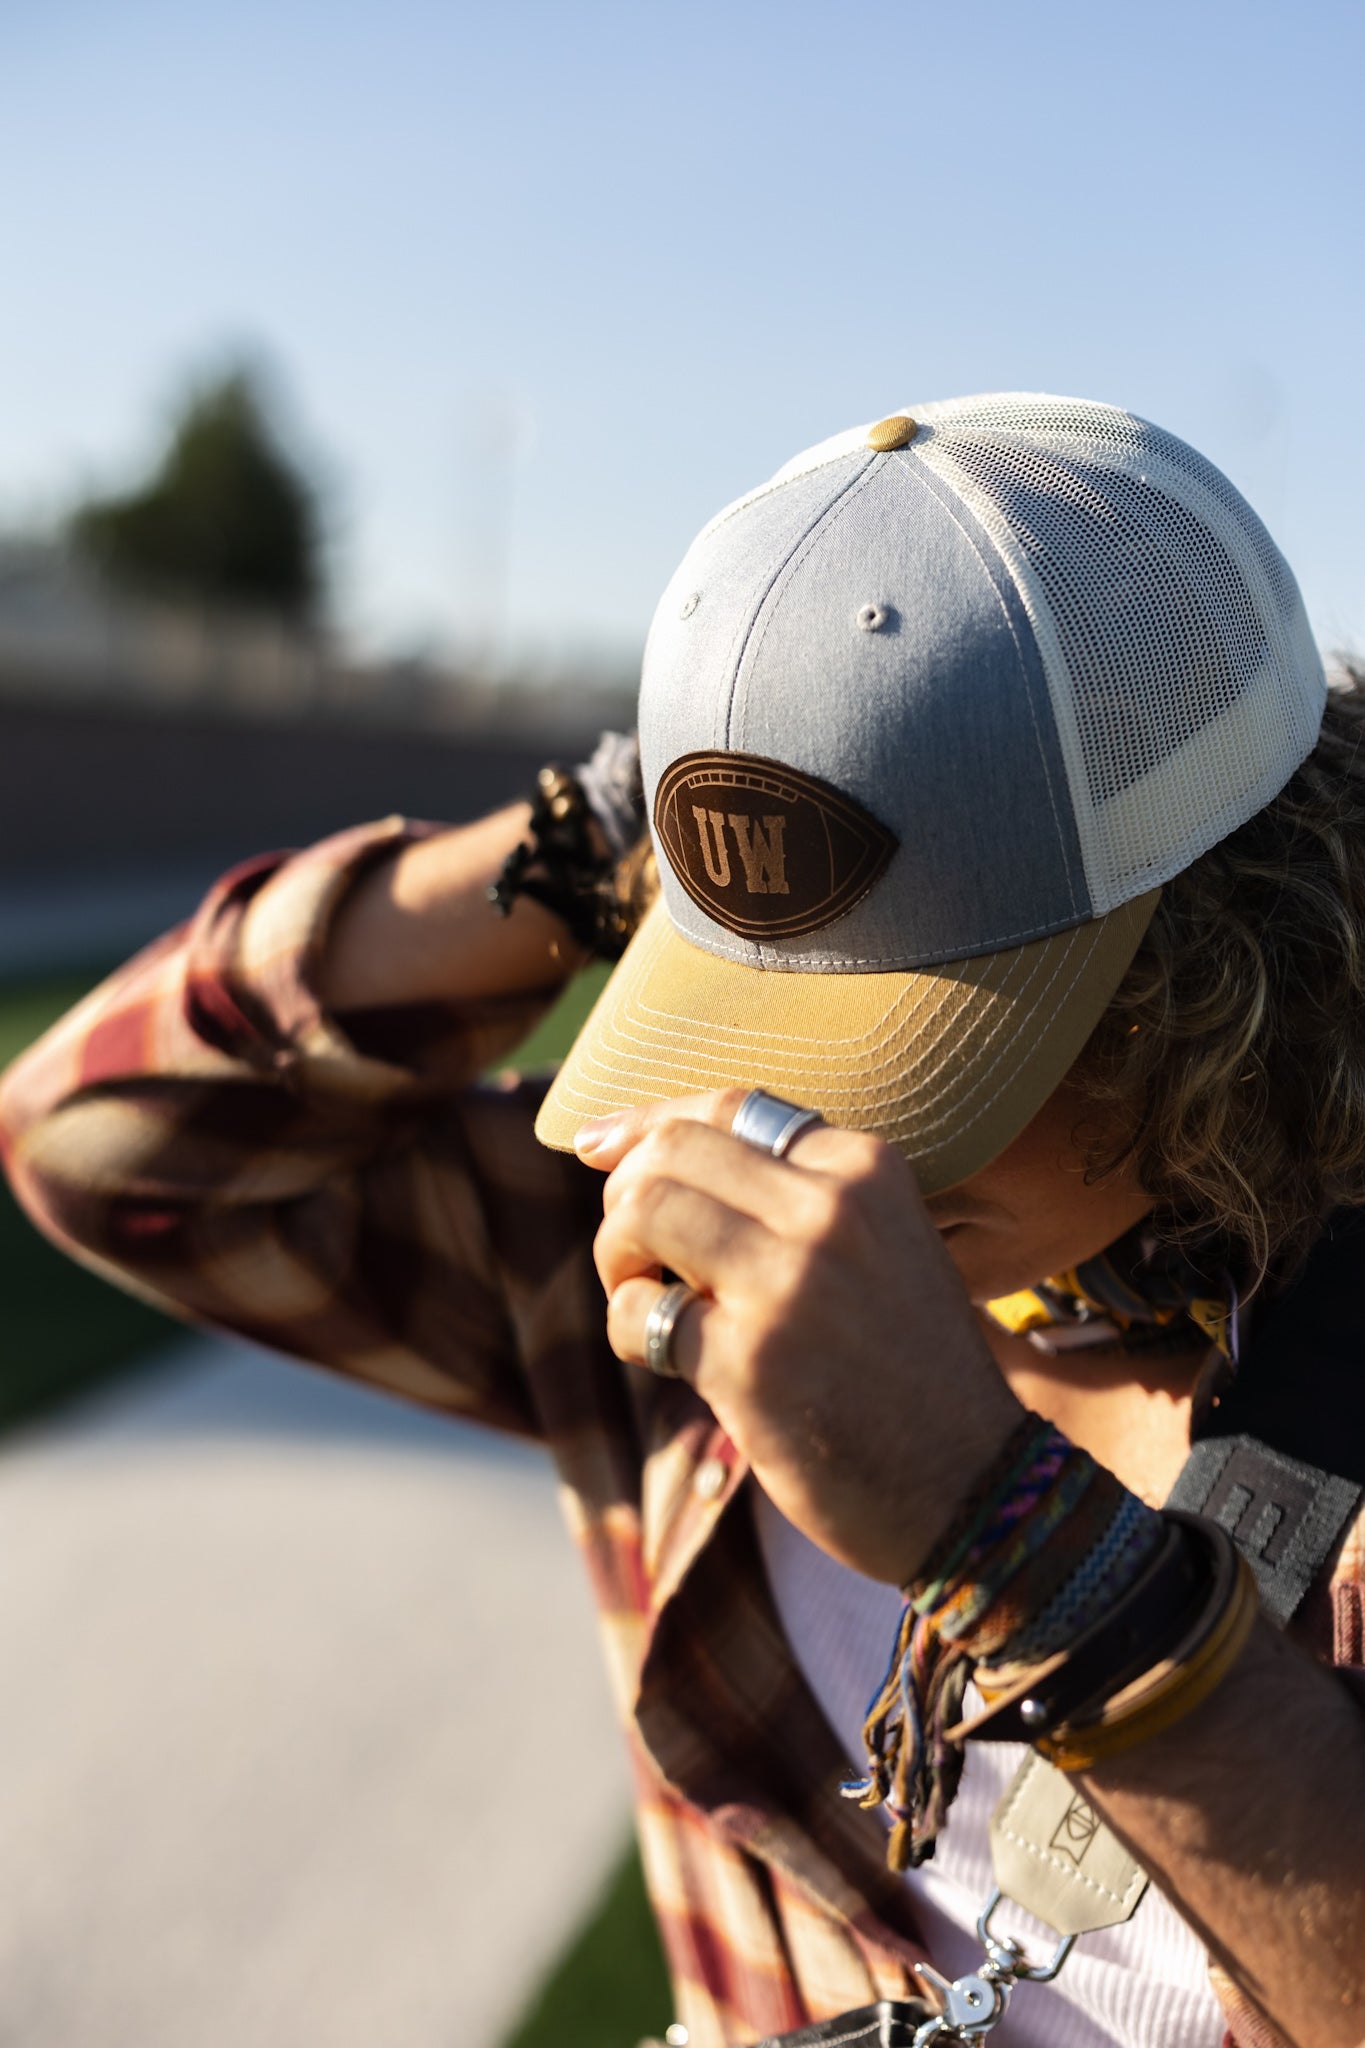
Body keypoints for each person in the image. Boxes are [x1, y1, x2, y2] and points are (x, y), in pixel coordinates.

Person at [3, 394, 1364, 2048]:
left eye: (925, 1038)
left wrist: (999, 1538)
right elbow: (106, 1146)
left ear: (1241, 956)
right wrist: (593, 839)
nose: (816, 1149)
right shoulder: (668, 1269)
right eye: (750, 1024)